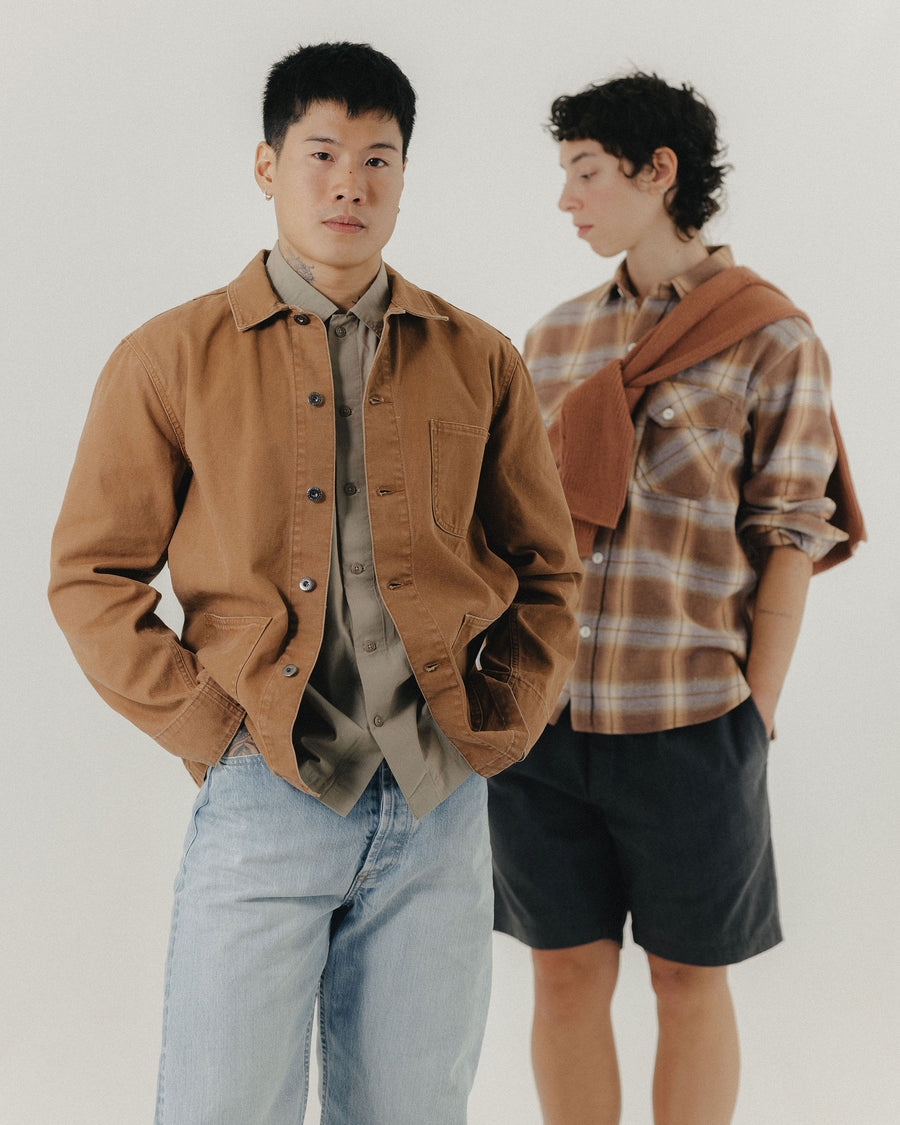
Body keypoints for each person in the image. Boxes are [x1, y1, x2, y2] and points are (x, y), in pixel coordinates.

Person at [48, 41, 582, 1124]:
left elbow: (548, 569)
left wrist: (503, 723)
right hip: (265, 790)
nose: (351, 183)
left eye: (378, 159)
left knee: (413, 1109)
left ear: (403, 178)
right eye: (323, 153)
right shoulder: (170, 356)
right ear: (267, 165)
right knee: (219, 1106)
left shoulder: (478, 358)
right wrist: (215, 733)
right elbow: (90, 576)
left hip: (440, 795)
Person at [487, 72, 864, 1125]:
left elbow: (792, 531)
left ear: (661, 174)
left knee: (687, 979)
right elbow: (517, 527)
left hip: (692, 723)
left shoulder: (773, 337)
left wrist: (758, 713)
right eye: (566, 175)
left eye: (586, 173)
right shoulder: (554, 340)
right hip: (547, 726)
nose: (568, 200)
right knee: (563, 976)